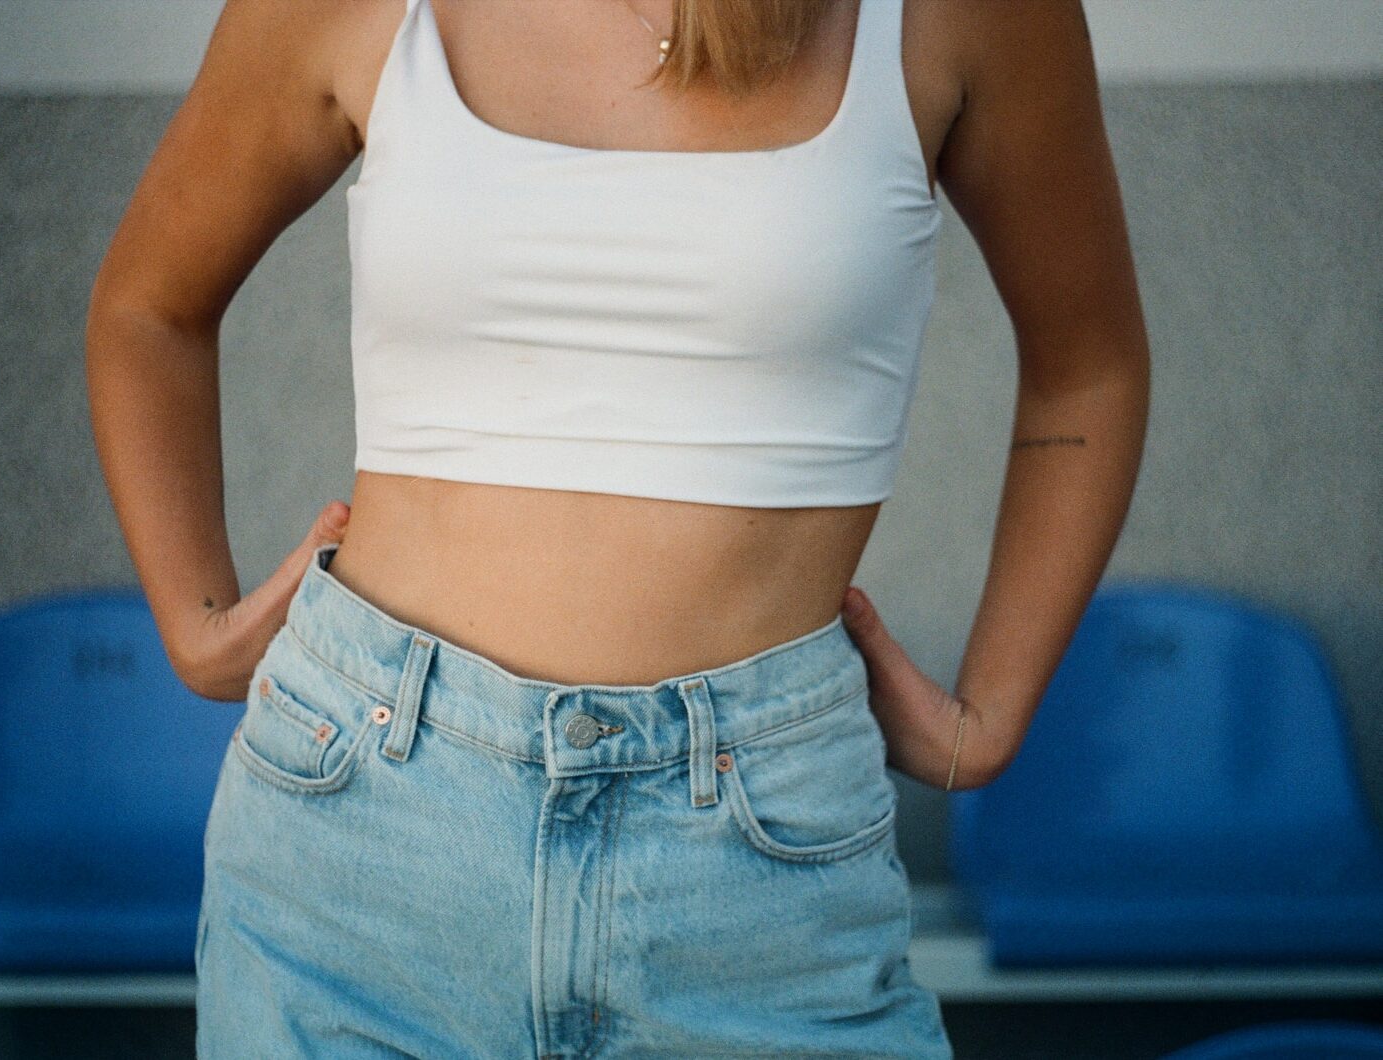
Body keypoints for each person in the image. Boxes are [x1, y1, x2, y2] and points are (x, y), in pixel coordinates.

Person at [85, 0, 1149, 1055]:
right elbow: (150, 305)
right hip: (361, 842)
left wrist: (996, 709)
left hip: (756, 872)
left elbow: (1085, 366)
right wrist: (193, 617)